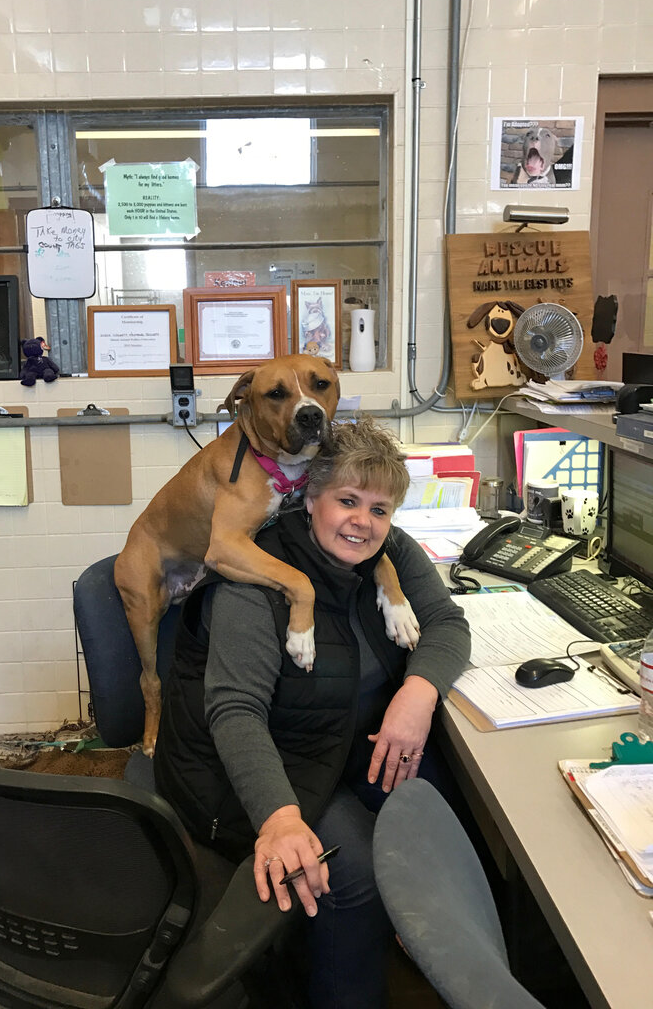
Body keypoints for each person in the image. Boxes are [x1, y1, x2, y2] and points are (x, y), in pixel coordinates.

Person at [154, 417, 471, 1008]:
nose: (363, 521)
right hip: (254, 764)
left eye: (380, 509)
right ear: (308, 499)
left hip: (336, 740)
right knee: (353, 879)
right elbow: (236, 711)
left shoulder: (388, 550)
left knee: (450, 818)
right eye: (347, 501)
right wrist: (278, 818)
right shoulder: (258, 576)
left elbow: (448, 622)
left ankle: (450, 965)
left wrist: (417, 693)